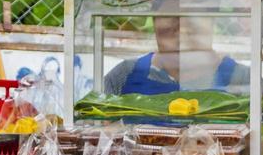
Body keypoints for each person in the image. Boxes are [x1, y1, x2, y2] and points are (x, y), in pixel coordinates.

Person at [103, 15, 249, 95]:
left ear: (211, 21)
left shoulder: (243, 79)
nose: (181, 30)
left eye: (191, 19)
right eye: (171, 19)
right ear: (155, 23)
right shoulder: (123, 76)